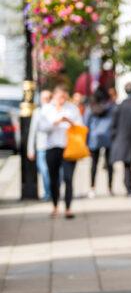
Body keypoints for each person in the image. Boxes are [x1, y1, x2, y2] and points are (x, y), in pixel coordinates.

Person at [37, 85, 83, 218]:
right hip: (52, 147)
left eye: (64, 97)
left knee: (68, 178)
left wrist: (70, 122)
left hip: (69, 147)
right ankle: (55, 206)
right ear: (55, 96)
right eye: (59, 97)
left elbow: (81, 126)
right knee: (53, 178)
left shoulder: (72, 108)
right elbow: (42, 127)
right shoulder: (46, 109)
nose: (62, 100)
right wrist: (55, 122)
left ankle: (68, 208)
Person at [85, 87, 115, 197]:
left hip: (94, 139)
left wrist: (86, 141)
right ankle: (110, 188)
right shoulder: (111, 107)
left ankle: (92, 188)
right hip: (108, 138)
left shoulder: (90, 108)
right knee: (110, 164)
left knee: (94, 164)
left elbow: (86, 124)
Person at [26, 89, 52, 201]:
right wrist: (30, 149)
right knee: (44, 171)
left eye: (47, 98)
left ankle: (52, 192)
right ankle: (48, 193)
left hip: (53, 146)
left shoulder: (54, 111)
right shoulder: (38, 112)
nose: (45, 101)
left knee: (54, 172)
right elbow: (33, 132)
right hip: (41, 147)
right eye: (43, 98)